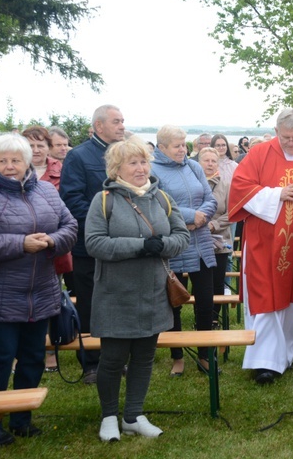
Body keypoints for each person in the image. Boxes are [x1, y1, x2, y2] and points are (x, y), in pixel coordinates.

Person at [0, 133, 77, 440]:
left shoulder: (47, 192)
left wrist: (51, 241)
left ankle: (22, 420)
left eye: (15, 160)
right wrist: (20, 244)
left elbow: (70, 226)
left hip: (42, 291)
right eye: (3, 161)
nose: (10, 166)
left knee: (33, 358)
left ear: (27, 161)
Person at [85, 138, 189, 442]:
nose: (141, 168)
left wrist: (163, 245)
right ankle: (108, 417)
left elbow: (181, 236)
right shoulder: (103, 200)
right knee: (113, 359)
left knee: (144, 358)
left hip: (154, 292)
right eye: (133, 163)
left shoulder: (161, 198)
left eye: (144, 161)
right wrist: (141, 247)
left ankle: (133, 415)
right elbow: (94, 243)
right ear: (117, 169)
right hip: (116, 294)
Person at [228, 108, 293, 385]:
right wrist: (278, 194)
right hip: (264, 243)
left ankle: (286, 354)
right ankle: (264, 362)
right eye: (286, 137)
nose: (291, 143)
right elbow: (240, 188)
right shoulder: (259, 154)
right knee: (265, 299)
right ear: (276, 132)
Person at [60, 104, 126, 384]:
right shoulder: (78, 156)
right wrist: (106, 221)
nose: (122, 126)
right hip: (89, 245)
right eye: (116, 122)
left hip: (122, 244)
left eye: (123, 121)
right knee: (89, 302)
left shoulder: (125, 154)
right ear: (99, 126)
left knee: (117, 301)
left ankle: (115, 359)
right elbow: (72, 198)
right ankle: (91, 364)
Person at [151, 125, 217, 376]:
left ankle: (204, 354)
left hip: (201, 243)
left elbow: (211, 199)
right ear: (162, 148)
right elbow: (160, 204)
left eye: (184, 144)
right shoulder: (153, 170)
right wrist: (191, 215)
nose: (183, 149)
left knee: (205, 303)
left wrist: (200, 217)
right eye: (177, 145)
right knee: (174, 303)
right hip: (175, 246)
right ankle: (177, 356)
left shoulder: (194, 166)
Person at [198, 147, 233, 325]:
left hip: (220, 241)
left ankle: (213, 318)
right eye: (207, 161)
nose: (210, 164)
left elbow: (232, 212)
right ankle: (201, 318)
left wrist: (214, 224)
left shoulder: (226, 185)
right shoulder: (193, 184)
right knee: (202, 284)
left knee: (218, 282)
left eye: (213, 161)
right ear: (199, 162)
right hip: (197, 240)